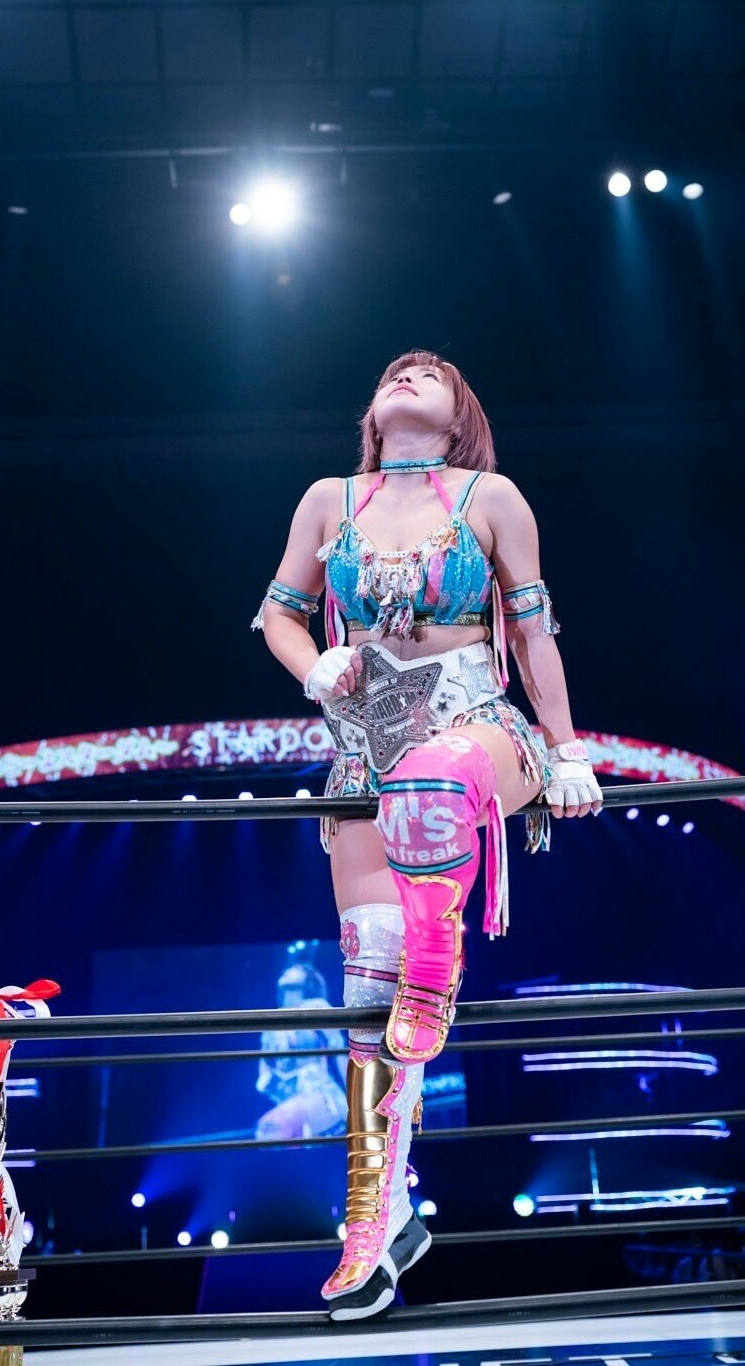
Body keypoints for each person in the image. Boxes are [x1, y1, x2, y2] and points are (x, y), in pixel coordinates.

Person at [251, 350, 601, 1320]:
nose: (405, 374)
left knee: (433, 781)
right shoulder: (328, 500)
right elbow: (278, 615)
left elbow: (531, 634)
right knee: (368, 993)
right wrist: (313, 666)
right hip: (362, 750)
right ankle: (374, 1218)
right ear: (373, 412)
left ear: (457, 418)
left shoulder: (492, 497)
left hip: (474, 728)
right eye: (394, 371)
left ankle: (437, 961)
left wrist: (567, 750)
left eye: (428, 373)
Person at [255, 961, 349, 1140]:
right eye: (288, 969)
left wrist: (356, 1098)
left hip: (319, 1095)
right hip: (289, 1098)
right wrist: (272, 1083)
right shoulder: (271, 1019)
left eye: (296, 970)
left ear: (308, 979)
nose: (288, 970)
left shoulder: (316, 1006)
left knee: (271, 1127)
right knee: (266, 1133)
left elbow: (338, 1050)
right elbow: (264, 1071)